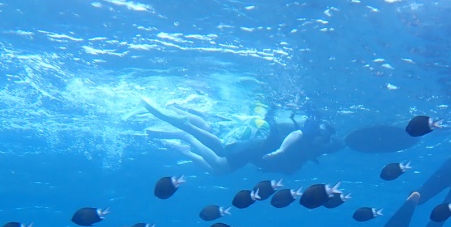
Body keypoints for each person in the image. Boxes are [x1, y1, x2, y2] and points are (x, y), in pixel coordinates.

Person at [142, 98, 344, 174]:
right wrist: (281, 151)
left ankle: (183, 119)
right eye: (327, 147)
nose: (324, 149)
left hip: (258, 138)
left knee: (220, 164)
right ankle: (183, 126)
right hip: (260, 131)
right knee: (221, 148)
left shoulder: (312, 145)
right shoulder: (317, 131)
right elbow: (297, 133)